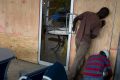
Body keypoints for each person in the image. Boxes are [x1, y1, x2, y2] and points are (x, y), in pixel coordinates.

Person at [68, 7, 110, 80]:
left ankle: (76, 75)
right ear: (104, 16)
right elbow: (93, 36)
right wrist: (101, 26)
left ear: (99, 10)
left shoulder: (87, 13)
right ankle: (70, 77)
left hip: (77, 38)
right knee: (78, 59)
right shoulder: (98, 22)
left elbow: (76, 18)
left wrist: (73, 26)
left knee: (81, 58)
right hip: (85, 42)